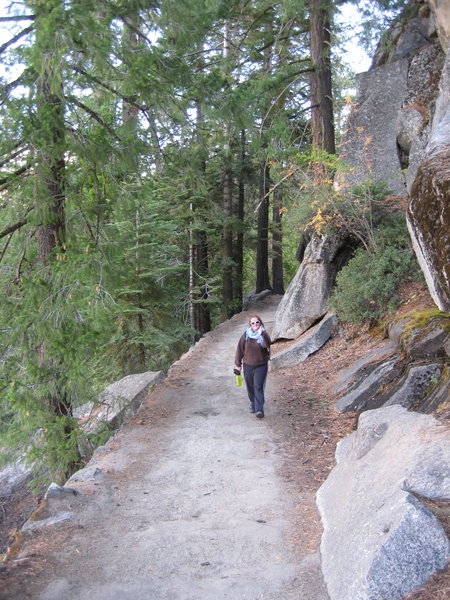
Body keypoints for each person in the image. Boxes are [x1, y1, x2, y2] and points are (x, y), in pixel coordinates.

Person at [234, 315, 271, 419]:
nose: (255, 324)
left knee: (258, 387)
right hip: (248, 365)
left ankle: (259, 409)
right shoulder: (246, 335)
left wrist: (262, 334)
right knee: (250, 387)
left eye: (257, 322)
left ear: (261, 323)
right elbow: (239, 350)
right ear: (250, 325)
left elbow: (267, 344)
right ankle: (253, 403)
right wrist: (238, 365)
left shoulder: (263, 334)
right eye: (253, 323)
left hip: (261, 365)